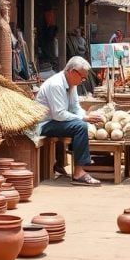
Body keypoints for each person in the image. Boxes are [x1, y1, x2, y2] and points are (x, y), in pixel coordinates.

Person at [35, 56, 103, 186]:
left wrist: (86, 116)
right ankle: (78, 173)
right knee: (79, 126)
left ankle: (74, 166)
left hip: (55, 121)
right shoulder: (56, 84)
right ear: (72, 72)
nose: (83, 81)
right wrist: (83, 118)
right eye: (82, 77)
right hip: (43, 124)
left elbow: (75, 107)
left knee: (82, 124)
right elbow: (59, 114)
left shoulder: (71, 84)